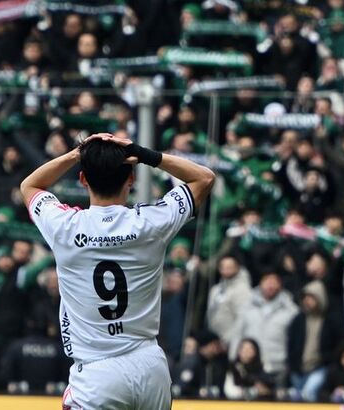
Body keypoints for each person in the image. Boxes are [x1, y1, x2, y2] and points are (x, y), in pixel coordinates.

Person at [20, 133, 215, 409]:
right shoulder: (151, 222)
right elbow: (203, 178)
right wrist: (146, 155)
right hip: (150, 366)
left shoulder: (64, 225)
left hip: (97, 373)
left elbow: (29, 185)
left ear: (83, 179)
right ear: (131, 179)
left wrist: (78, 154)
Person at [229, 271, 299, 386]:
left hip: (278, 367)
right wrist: (233, 358)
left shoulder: (291, 310)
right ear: (260, 283)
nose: (270, 286)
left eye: (274, 282)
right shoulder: (247, 306)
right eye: (267, 281)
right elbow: (237, 334)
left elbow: (294, 340)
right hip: (251, 367)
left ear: (280, 285)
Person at [287, 280, 344, 401]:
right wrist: (293, 365)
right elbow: (290, 344)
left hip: (320, 368)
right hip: (298, 370)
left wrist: (328, 361)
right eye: (305, 297)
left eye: (311, 297)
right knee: (297, 401)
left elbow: (339, 345)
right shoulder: (298, 320)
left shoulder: (331, 321)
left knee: (309, 394)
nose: (307, 301)